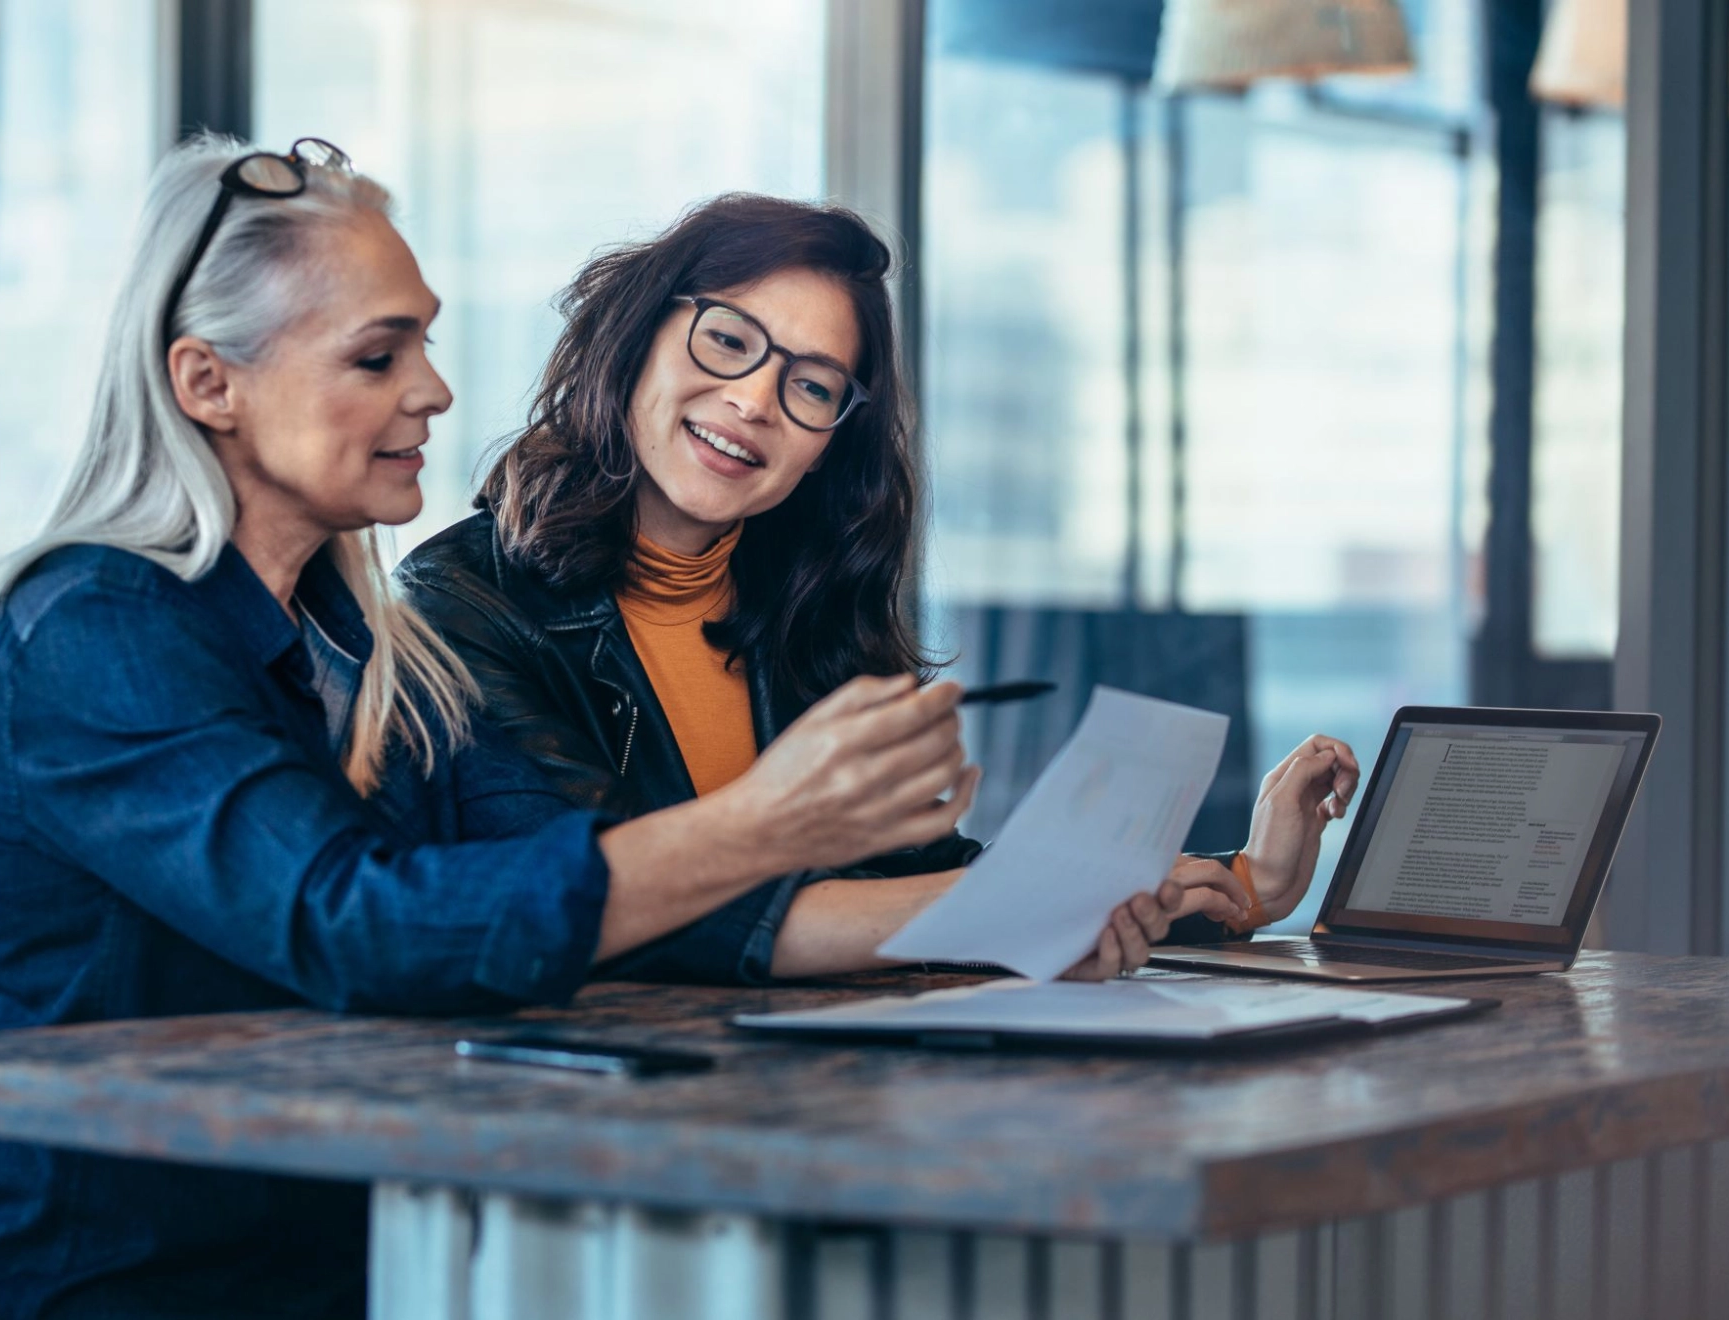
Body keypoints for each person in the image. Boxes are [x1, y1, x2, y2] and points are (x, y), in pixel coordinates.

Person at [0, 140, 1210, 1320]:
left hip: (362, 1263)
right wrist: (768, 823)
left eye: (425, 344)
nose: (434, 390)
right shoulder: (90, 628)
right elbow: (357, 925)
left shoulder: (369, 647)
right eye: (378, 356)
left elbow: (569, 881)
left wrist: (1053, 908)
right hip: (118, 1289)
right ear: (208, 383)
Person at [403, 193, 1360, 972]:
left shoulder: (807, 608)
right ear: (635, 338)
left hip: (816, 1089)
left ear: (829, 444)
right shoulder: (458, 605)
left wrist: (1247, 884)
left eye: (812, 386)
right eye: (728, 341)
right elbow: (605, 907)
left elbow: (913, 880)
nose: (755, 400)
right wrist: (1017, 911)